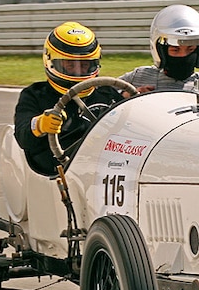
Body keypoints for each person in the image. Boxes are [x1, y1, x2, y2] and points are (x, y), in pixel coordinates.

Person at [14, 21, 122, 176]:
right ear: (50, 61)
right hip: (58, 172)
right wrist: (40, 125)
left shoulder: (107, 93)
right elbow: (23, 136)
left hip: (108, 169)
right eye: (70, 65)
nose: (78, 71)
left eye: (84, 65)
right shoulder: (35, 94)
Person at [119, 4, 199, 111]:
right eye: (175, 50)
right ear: (161, 52)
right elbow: (103, 94)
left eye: (190, 49)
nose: (183, 56)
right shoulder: (138, 77)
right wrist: (127, 96)